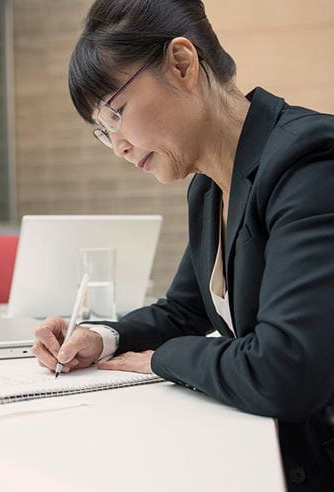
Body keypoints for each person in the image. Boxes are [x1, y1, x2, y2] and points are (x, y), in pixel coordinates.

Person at [31, 0, 334, 489]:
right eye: (102, 134)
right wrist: (101, 338)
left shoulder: (309, 164)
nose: (119, 146)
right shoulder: (209, 186)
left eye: (117, 115)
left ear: (182, 63)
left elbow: (285, 371)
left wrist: (161, 360)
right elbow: (181, 311)